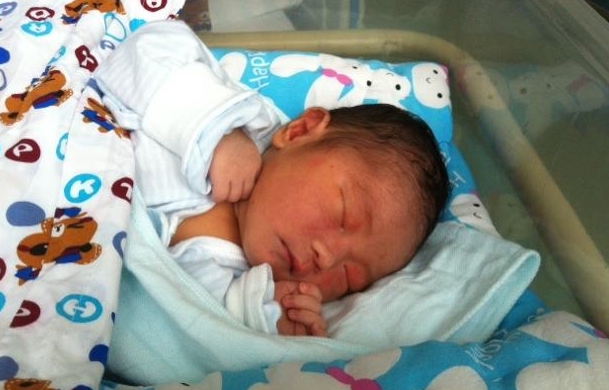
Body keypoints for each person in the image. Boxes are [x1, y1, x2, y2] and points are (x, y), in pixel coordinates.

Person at [95, 20, 449, 338]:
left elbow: (155, 331)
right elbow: (144, 49)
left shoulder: (240, 285)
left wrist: (258, 315)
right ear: (301, 131)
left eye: (348, 279)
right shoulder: (243, 119)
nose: (326, 258)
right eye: (343, 215)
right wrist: (213, 130)